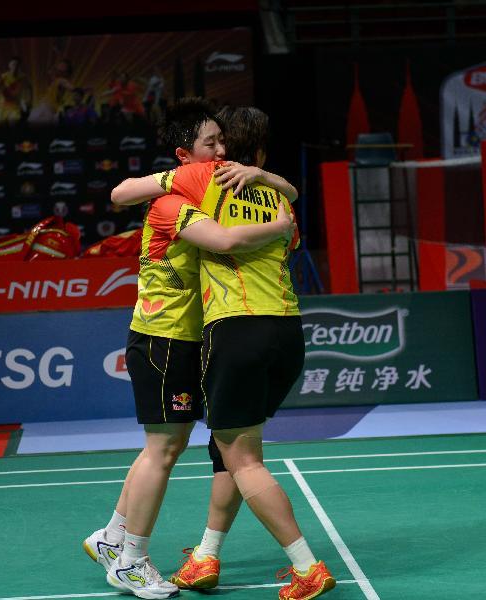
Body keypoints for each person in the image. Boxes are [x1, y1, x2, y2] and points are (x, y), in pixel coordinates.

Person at [82, 98, 297, 600]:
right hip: (164, 337)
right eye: (212, 144)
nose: (222, 151)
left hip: (187, 337)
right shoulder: (172, 201)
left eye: (225, 142)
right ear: (185, 154)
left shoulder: (210, 187)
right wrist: (278, 226)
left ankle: (113, 536)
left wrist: (266, 180)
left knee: (167, 447)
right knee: (163, 450)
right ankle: (131, 560)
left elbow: (280, 191)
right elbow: (222, 241)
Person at [119, 106, 335, 600]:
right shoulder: (281, 199)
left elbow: (123, 193)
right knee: (230, 448)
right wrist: (267, 179)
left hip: (236, 330)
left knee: (244, 460)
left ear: (226, 146)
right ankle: (206, 555)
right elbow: (291, 232)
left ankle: (306, 566)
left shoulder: (202, 179)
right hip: (288, 331)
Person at [0, 56, 31, 124]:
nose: (15, 67)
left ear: (20, 67)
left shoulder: (23, 78)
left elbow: (29, 88)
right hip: (2, 107)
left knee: (14, 122)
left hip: (15, 107)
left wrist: (28, 102)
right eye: (13, 64)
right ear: (9, 65)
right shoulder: (4, 76)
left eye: (17, 65)